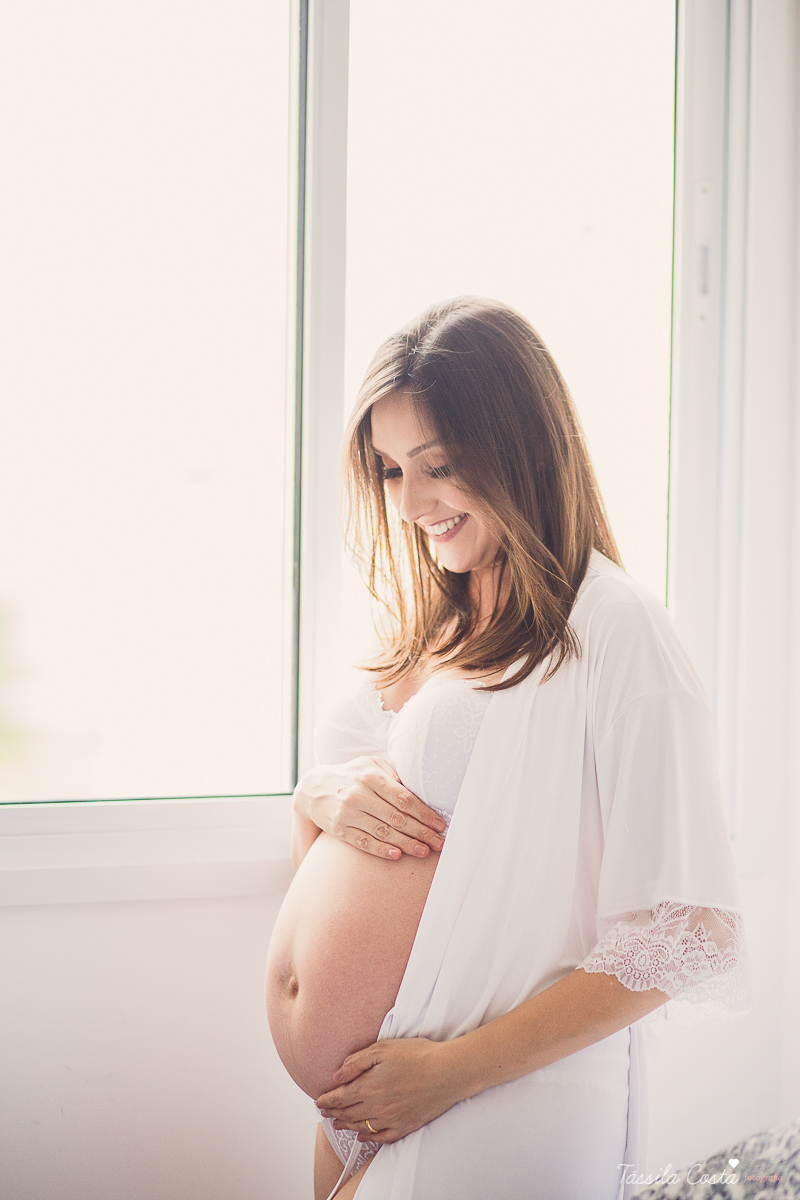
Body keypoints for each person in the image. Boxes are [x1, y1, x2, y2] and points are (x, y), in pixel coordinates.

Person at [265, 296, 752, 1200]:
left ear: (522, 447)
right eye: (389, 469)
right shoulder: (441, 625)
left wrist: (447, 1074)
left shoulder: (619, 631)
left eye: (438, 467)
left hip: (485, 1094)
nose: (409, 502)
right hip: (371, 1100)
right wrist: (317, 803)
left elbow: (690, 936)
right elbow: (369, 873)